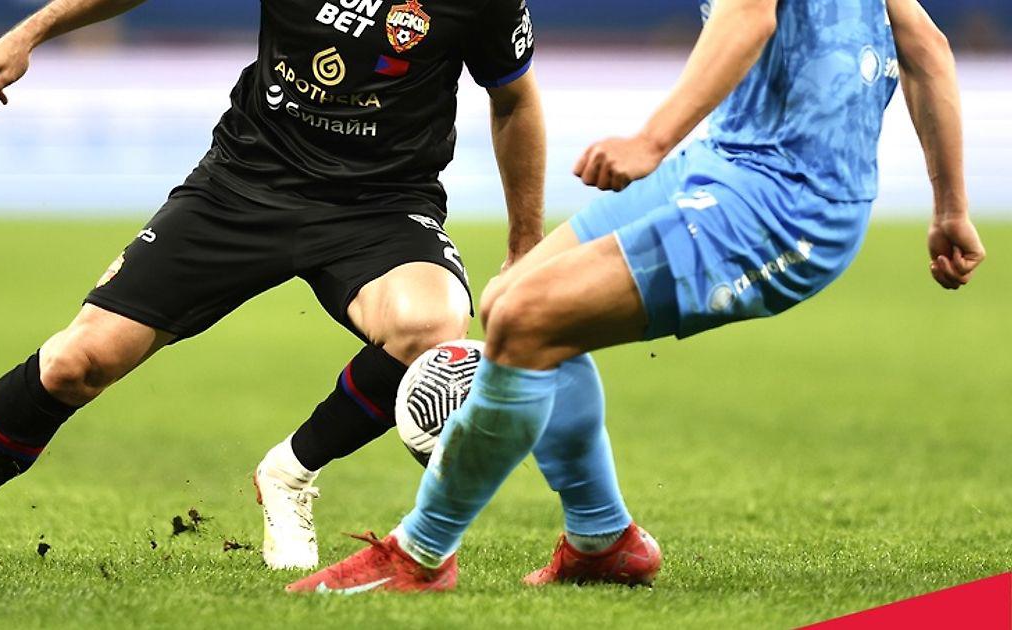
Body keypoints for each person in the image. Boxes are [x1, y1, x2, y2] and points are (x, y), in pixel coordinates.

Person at [290, 0, 986, 592]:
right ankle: (601, 541)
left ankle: (420, 553)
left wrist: (650, 141)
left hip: (789, 203)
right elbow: (924, 44)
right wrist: (951, 208)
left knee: (528, 321)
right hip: (725, 162)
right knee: (509, 300)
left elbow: (750, 17)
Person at [0, 0, 545, 575]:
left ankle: (290, 472)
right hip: (242, 187)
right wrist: (29, 32)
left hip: (381, 208)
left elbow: (512, 99)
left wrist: (523, 248)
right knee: (74, 363)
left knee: (433, 323)